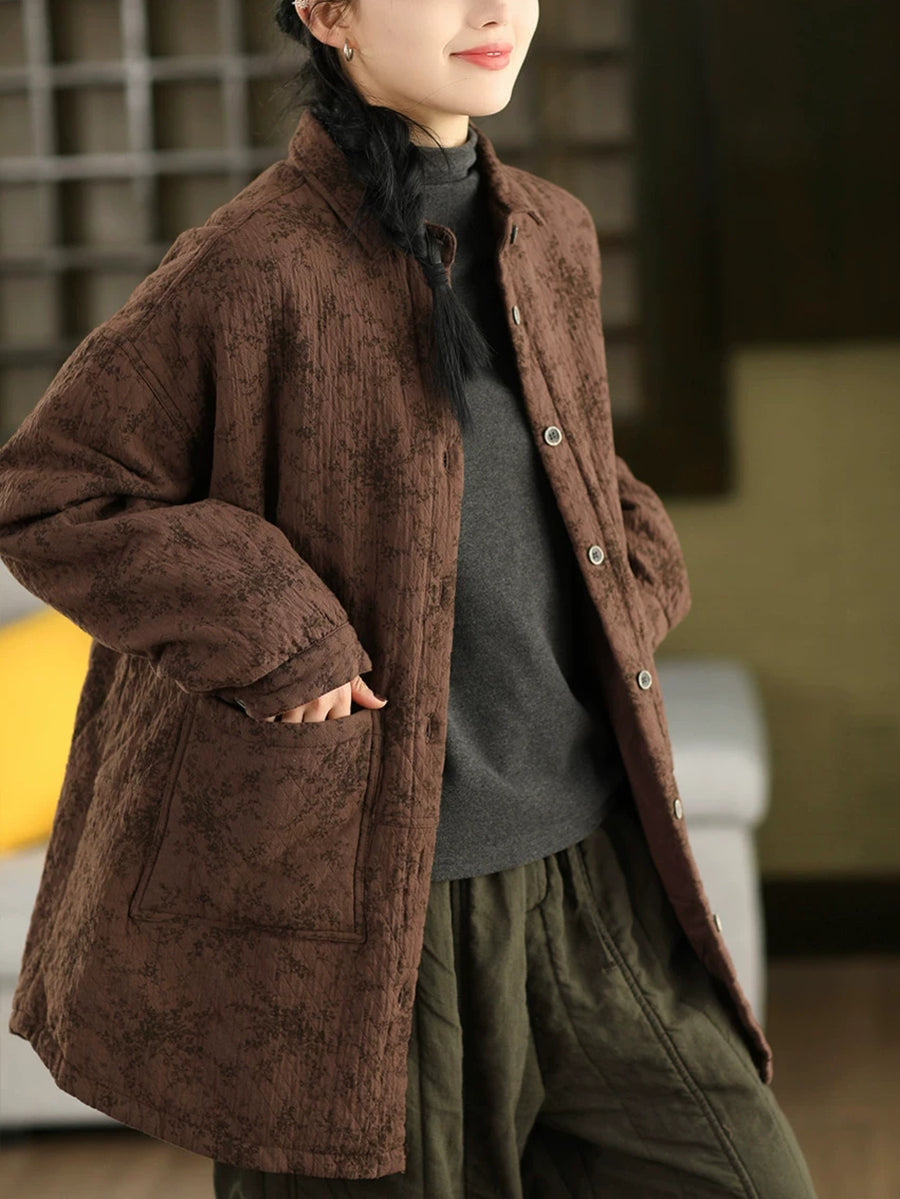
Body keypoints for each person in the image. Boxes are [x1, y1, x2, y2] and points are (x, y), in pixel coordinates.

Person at [0, 0, 820, 1195]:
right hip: (374, 915)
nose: (494, 9)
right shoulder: (251, 264)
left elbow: (578, 468)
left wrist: (634, 571)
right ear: (327, 12)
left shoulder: (552, 232)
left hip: (594, 879)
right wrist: (282, 631)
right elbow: (48, 490)